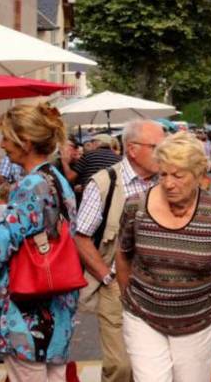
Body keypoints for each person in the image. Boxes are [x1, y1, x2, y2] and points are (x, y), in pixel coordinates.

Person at [115, 132, 211, 381]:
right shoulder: (135, 206)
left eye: (178, 175)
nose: (169, 183)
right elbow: (123, 256)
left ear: (197, 175)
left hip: (197, 324)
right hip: (143, 318)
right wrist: (131, 301)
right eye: (163, 174)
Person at [0, 103, 79, 381]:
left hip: (30, 305)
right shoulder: (57, 180)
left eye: (6, 138)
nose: (2, 145)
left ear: (25, 143)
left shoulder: (31, 185)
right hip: (56, 300)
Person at [74, 120, 165, 382]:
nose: (163, 154)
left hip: (159, 287)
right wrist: (107, 277)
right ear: (133, 149)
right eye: (156, 147)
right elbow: (81, 238)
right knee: (120, 367)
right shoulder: (105, 183)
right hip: (117, 287)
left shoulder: (166, 181)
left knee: (151, 367)